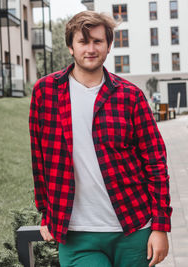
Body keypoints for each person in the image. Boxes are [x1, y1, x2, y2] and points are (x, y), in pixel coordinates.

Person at [29, 11, 172, 267]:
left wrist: (160, 226)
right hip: (75, 233)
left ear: (109, 46)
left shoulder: (130, 96)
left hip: (133, 228)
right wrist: (45, 212)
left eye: (98, 41)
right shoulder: (45, 92)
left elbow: (155, 163)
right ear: (71, 47)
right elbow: (40, 160)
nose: (91, 49)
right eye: (83, 42)